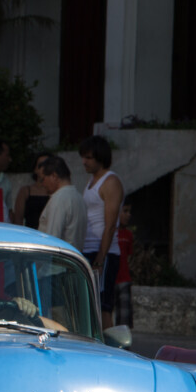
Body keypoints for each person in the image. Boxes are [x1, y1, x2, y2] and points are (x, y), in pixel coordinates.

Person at [79, 135, 125, 329]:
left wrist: (100, 259)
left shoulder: (110, 182)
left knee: (103, 306)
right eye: (83, 157)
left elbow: (111, 225)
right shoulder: (91, 181)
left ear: (101, 157)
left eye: (89, 158)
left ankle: (111, 345)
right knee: (90, 305)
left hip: (104, 253)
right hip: (88, 249)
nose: (84, 162)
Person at [37, 155, 87, 251]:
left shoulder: (59, 199)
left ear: (54, 176)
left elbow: (52, 239)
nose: (42, 184)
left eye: (43, 179)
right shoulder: (79, 197)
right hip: (74, 256)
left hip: (59, 258)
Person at [12, 153, 52, 228]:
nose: (44, 168)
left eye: (47, 165)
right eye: (40, 165)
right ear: (35, 169)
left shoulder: (56, 191)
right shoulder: (25, 191)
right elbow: (18, 219)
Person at [115, 202, 135, 328]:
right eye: (125, 211)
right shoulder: (111, 233)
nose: (128, 215)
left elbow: (129, 256)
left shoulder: (128, 235)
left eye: (129, 212)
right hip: (112, 279)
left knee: (124, 318)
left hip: (124, 280)